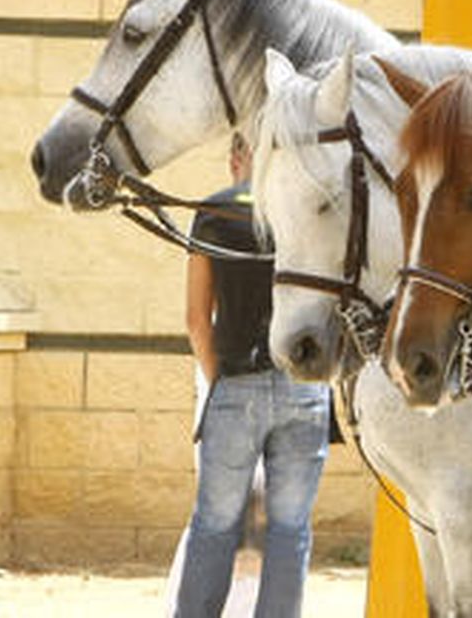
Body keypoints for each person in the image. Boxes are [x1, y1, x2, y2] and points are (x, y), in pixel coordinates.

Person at [176, 133, 331, 618]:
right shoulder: (312, 208)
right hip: (303, 388)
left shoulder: (216, 211)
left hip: (235, 382)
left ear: (237, 159)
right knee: (290, 528)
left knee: (216, 524)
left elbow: (196, 319)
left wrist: (219, 378)